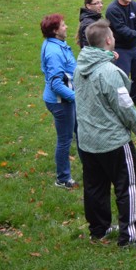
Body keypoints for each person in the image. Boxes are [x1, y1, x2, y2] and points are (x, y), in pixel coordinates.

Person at [74, 20, 136, 247]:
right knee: (128, 185)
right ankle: (130, 235)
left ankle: (98, 228)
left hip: (87, 140)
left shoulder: (80, 67)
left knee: (95, 185)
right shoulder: (108, 72)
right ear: (109, 40)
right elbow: (125, 106)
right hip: (113, 142)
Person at [40, 13, 78, 189]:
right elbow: (56, 83)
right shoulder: (54, 52)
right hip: (60, 102)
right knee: (65, 139)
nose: (66, 27)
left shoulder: (56, 44)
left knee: (79, 130)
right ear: (55, 31)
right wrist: (76, 98)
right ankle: (62, 178)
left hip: (66, 99)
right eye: (63, 25)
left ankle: (93, 165)